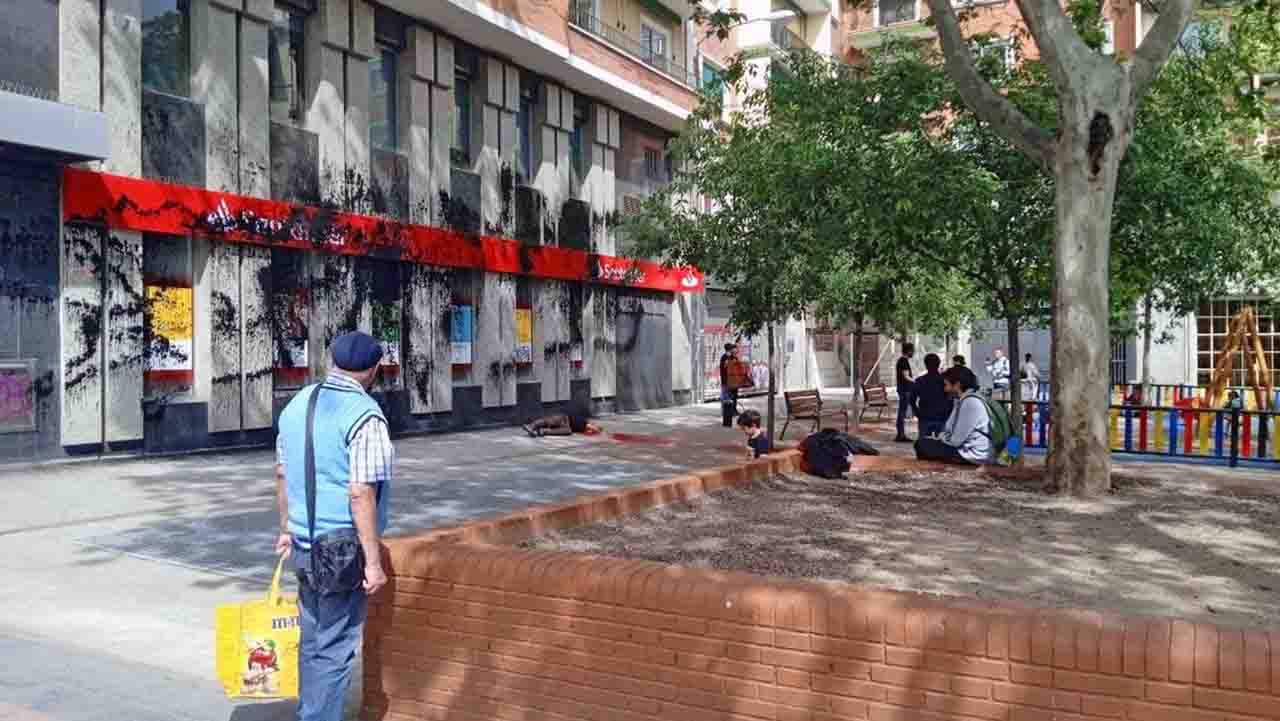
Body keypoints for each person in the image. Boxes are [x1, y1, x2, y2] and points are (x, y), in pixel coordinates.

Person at [274, 331, 394, 721]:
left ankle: (309, 712)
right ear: (374, 369)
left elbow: (281, 475)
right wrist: (373, 562)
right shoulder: (365, 415)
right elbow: (361, 493)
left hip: (304, 545)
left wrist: (286, 528)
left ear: (333, 361)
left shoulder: (297, 404)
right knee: (335, 647)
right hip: (341, 549)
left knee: (312, 641)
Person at [914, 366, 991, 466]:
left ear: (957, 385)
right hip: (971, 449)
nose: (945, 389)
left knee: (921, 445)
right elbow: (949, 428)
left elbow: (955, 441)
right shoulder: (965, 399)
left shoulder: (970, 403)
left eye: (946, 385)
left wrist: (941, 438)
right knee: (926, 441)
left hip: (974, 454)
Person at [911, 353, 950, 438]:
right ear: (939, 364)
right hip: (942, 417)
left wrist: (917, 412)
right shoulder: (945, 381)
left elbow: (912, 399)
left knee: (924, 445)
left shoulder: (920, 381)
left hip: (925, 416)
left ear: (925, 365)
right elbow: (950, 399)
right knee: (941, 445)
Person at [523, 404, 602, 437]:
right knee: (548, 421)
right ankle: (531, 426)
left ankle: (540, 431)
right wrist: (598, 430)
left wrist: (597, 430)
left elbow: (590, 430)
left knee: (567, 431)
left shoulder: (583, 428)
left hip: (567, 426)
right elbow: (591, 427)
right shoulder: (584, 422)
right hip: (564, 418)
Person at [894, 343, 916, 442]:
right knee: (902, 412)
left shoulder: (902, 361)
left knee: (902, 412)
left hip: (904, 389)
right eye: (912, 351)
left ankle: (900, 434)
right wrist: (916, 381)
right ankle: (900, 435)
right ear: (909, 351)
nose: (913, 353)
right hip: (904, 390)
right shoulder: (903, 361)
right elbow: (906, 376)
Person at [719, 343, 739, 428]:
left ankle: (732, 411)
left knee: (732, 396)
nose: (733, 350)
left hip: (732, 381)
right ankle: (725, 413)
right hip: (726, 381)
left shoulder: (732, 357)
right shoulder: (724, 357)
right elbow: (725, 367)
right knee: (726, 397)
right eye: (732, 349)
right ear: (729, 349)